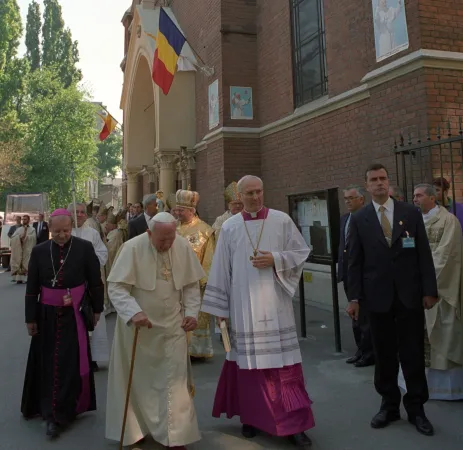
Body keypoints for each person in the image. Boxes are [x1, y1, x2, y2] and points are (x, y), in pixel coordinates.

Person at [202, 175, 315, 449]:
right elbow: (221, 269)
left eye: (259, 191)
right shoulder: (229, 227)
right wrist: (221, 310)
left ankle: (295, 425)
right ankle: (251, 418)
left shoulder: (281, 220)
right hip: (243, 308)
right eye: (250, 193)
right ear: (239, 197)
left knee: (284, 366)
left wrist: (275, 259)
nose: (256, 197)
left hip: (276, 306)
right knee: (249, 366)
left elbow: (301, 251)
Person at [347, 163, 438, 436]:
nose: (379, 183)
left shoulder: (410, 213)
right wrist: (354, 298)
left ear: (389, 182)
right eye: (373, 179)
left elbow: (423, 252)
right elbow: (354, 262)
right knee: (384, 354)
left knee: (412, 354)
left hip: (409, 297)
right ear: (367, 186)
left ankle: (417, 408)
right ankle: (388, 405)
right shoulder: (360, 218)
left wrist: (429, 290)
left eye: (383, 178)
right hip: (377, 299)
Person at [105, 213, 206, 449]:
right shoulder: (131, 248)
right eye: (162, 240)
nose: (167, 245)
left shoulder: (180, 245)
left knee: (174, 381)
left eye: (170, 239)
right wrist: (133, 312)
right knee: (138, 381)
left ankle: (176, 434)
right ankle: (134, 430)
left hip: (173, 325)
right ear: (149, 233)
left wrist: (191, 313)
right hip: (139, 328)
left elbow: (191, 285)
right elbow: (117, 287)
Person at [21, 209, 104, 438]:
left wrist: (96, 309)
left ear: (71, 227)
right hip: (46, 315)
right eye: (56, 231)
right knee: (48, 363)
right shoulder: (39, 251)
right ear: (49, 228)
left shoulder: (84, 248)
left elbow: (95, 282)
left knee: (69, 362)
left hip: (74, 315)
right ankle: (49, 411)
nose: (61, 235)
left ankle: (65, 410)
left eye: (66, 230)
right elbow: (31, 289)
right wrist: (30, 319)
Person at [402, 183, 463, 400]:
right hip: (414, 289)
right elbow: (406, 249)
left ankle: (445, 390)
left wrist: (424, 282)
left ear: (432, 197)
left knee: (441, 333)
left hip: (438, 289)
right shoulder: (412, 221)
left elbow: (446, 256)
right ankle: (417, 384)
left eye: (419, 195)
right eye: (414, 195)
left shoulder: (448, 221)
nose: (415, 199)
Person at [176, 188, 216, 360]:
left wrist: (204, 280)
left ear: (191, 211)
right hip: (174, 280)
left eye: (181, 210)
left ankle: (196, 350)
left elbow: (210, 257)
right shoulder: (173, 228)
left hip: (194, 281)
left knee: (195, 315)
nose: (177, 213)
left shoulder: (205, 230)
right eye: (176, 209)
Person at [338, 185, 374, 367]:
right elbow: (342, 247)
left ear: (361, 199)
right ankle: (359, 350)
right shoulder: (345, 219)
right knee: (354, 315)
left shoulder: (367, 218)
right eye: (345, 199)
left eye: (351, 198)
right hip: (348, 274)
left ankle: (369, 353)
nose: (348, 202)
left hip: (362, 275)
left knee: (364, 316)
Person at [70, 203, 109, 370]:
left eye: (81, 212)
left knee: (93, 319)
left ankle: (92, 357)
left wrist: (88, 265)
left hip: (89, 283)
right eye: (75, 212)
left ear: (86, 215)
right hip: (70, 285)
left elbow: (102, 253)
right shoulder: (64, 233)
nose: (79, 215)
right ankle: (73, 357)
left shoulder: (92, 233)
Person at [105, 208, 128, 314]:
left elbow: (111, 249)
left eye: (108, 224)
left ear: (113, 225)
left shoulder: (115, 234)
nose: (106, 226)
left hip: (112, 261)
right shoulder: (114, 232)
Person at [11, 215, 37, 284]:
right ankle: (18, 278)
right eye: (23, 219)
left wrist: (26, 237)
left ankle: (25, 278)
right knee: (18, 261)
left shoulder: (32, 229)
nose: (24, 220)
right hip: (19, 249)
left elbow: (34, 238)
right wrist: (19, 238)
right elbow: (13, 238)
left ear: (28, 220)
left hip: (27, 248)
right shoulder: (19, 229)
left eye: (25, 219)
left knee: (27, 262)